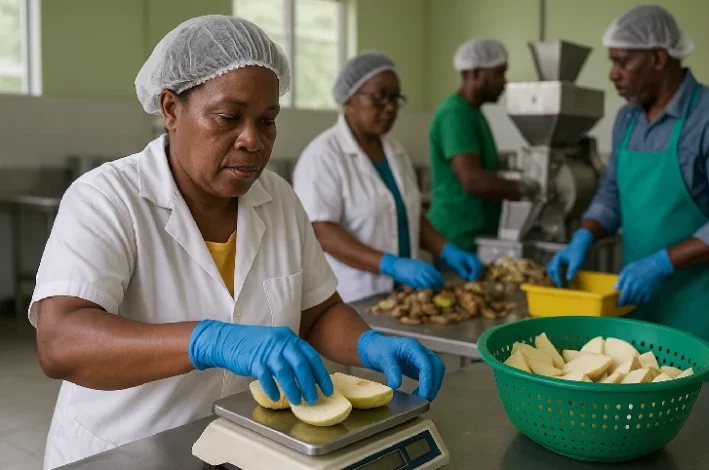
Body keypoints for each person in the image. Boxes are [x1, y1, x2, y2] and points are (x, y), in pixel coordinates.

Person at [30, 17, 445, 469]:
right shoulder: (107, 199)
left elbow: (319, 312)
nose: (253, 140)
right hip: (125, 452)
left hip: (244, 446)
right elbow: (61, 341)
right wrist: (207, 340)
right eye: (229, 118)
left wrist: (368, 344)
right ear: (170, 109)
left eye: (267, 121)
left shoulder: (279, 198)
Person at [547, 5, 709, 387]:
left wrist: (661, 264)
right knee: (639, 406)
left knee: (703, 419)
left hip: (700, 303)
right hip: (639, 301)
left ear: (659, 57)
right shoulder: (628, 120)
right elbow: (611, 194)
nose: (613, 73)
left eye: (622, 62)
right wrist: (584, 235)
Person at [293, 52, 483, 303]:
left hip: (402, 296)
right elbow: (321, 231)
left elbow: (407, 215)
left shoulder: (396, 152)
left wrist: (446, 249)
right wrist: (390, 264)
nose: (390, 107)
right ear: (349, 98)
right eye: (380, 96)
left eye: (395, 98)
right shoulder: (323, 155)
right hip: (353, 298)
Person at [428, 38, 540, 253]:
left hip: (475, 233)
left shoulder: (472, 113)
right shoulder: (455, 113)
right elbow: (473, 180)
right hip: (457, 237)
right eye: (499, 73)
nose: (504, 82)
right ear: (475, 74)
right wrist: (526, 190)